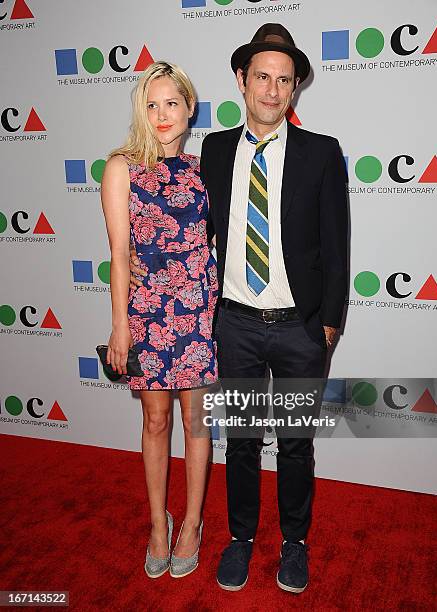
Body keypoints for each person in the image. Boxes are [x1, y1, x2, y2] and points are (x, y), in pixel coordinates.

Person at [130, 23, 348, 593]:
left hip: (300, 325)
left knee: (297, 443)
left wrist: (327, 324)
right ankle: (241, 538)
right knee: (244, 441)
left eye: (284, 80)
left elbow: (337, 243)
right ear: (241, 81)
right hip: (236, 324)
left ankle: (295, 543)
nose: (273, 91)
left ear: (294, 88)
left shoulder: (322, 153)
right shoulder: (217, 150)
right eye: (262, 78)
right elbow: (175, 216)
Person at [101, 61, 218, 580]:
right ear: (141, 112)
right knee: (154, 421)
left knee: (195, 422)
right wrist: (121, 325)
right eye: (152, 104)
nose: (162, 114)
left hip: (198, 313)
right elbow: (119, 254)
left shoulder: (206, 167)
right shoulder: (121, 167)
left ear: (190, 108)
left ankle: (191, 523)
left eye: (172, 102)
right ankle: (157, 523)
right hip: (147, 314)